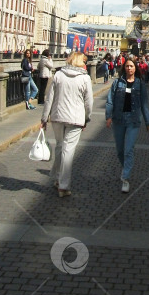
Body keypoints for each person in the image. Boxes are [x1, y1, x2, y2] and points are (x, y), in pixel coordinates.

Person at [41, 51, 93, 198]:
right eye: (84, 61)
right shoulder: (85, 78)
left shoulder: (58, 75)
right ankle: (63, 186)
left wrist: (44, 118)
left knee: (59, 146)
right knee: (68, 151)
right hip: (76, 118)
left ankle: (57, 178)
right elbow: (88, 102)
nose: (85, 64)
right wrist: (87, 118)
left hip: (57, 116)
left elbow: (49, 98)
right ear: (79, 62)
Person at [106, 58, 149, 193]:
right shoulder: (117, 83)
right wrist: (108, 116)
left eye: (131, 66)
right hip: (119, 119)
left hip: (133, 121)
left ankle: (125, 178)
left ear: (135, 68)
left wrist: (148, 122)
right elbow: (110, 100)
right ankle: (125, 168)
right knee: (120, 150)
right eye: (127, 66)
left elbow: (144, 104)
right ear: (124, 68)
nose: (129, 68)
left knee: (128, 150)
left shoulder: (140, 84)